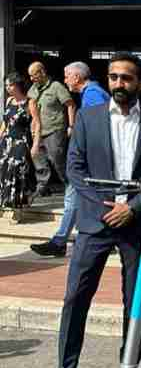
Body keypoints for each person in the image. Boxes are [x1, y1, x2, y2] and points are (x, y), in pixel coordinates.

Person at [49, 52, 141, 368]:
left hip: (135, 225)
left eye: (127, 78)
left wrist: (132, 207)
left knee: (134, 300)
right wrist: (103, 207)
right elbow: (75, 170)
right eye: (114, 77)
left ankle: (129, 367)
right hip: (94, 223)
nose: (120, 83)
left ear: (140, 82)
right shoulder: (88, 119)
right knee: (75, 297)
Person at [32, 61, 110, 257]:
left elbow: (98, 128)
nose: (65, 80)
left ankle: (62, 241)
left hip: (90, 159)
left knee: (76, 196)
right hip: (91, 159)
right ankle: (60, 240)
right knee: (75, 197)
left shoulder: (92, 94)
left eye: (67, 76)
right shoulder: (92, 93)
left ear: (77, 77)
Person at [27, 61, 77, 198]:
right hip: (37, 131)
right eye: (30, 76)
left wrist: (71, 125)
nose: (31, 79)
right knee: (38, 158)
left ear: (42, 72)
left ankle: (70, 185)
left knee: (57, 160)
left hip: (55, 129)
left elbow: (71, 105)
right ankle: (42, 187)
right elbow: (30, 104)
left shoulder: (56, 87)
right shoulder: (34, 88)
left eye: (33, 75)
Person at [0, 71, 36, 210]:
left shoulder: (30, 102)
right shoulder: (9, 101)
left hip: (21, 141)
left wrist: (36, 144)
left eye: (10, 85)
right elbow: (5, 123)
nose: (7, 88)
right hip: (6, 141)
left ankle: (18, 203)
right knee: (3, 169)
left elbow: (37, 124)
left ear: (18, 85)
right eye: (6, 85)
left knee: (17, 170)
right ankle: (6, 202)